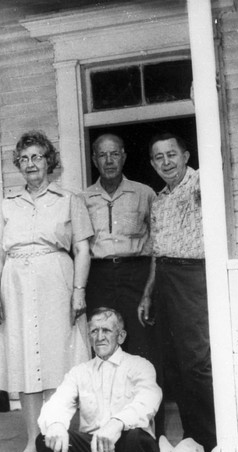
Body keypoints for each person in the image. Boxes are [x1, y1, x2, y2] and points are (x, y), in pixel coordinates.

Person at [0, 130, 92, 452]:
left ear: (49, 162)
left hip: (56, 281)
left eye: (37, 157)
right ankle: (32, 441)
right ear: (19, 164)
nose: (31, 164)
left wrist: (78, 291)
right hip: (15, 285)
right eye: (25, 158)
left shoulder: (68, 199)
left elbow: (82, 248)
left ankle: (59, 436)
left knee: (59, 359)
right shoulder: (7, 205)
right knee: (25, 361)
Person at [138, 132, 217, 452]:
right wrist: (147, 294)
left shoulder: (201, 184)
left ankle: (215, 444)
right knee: (179, 366)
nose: (166, 162)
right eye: (159, 157)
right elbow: (158, 252)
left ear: (186, 155)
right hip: (166, 279)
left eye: (172, 154)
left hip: (193, 276)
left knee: (198, 364)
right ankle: (194, 440)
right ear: (153, 164)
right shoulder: (158, 200)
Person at [36, 307, 162, 452]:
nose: (99, 336)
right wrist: (56, 424)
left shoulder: (140, 365)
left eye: (106, 330)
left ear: (121, 336)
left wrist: (116, 423)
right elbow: (58, 401)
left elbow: (148, 399)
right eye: (94, 331)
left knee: (134, 439)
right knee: (47, 438)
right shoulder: (79, 372)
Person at [82, 134, 156, 363]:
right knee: (102, 337)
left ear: (123, 156)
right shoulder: (82, 199)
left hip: (136, 273)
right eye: (102, 155)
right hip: (98, 276)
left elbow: (157, 244)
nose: (109, 160)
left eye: (114, 154)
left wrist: (149, 289)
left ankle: (150, 397)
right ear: (94, 160)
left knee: (141, 335)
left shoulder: (144, 193)